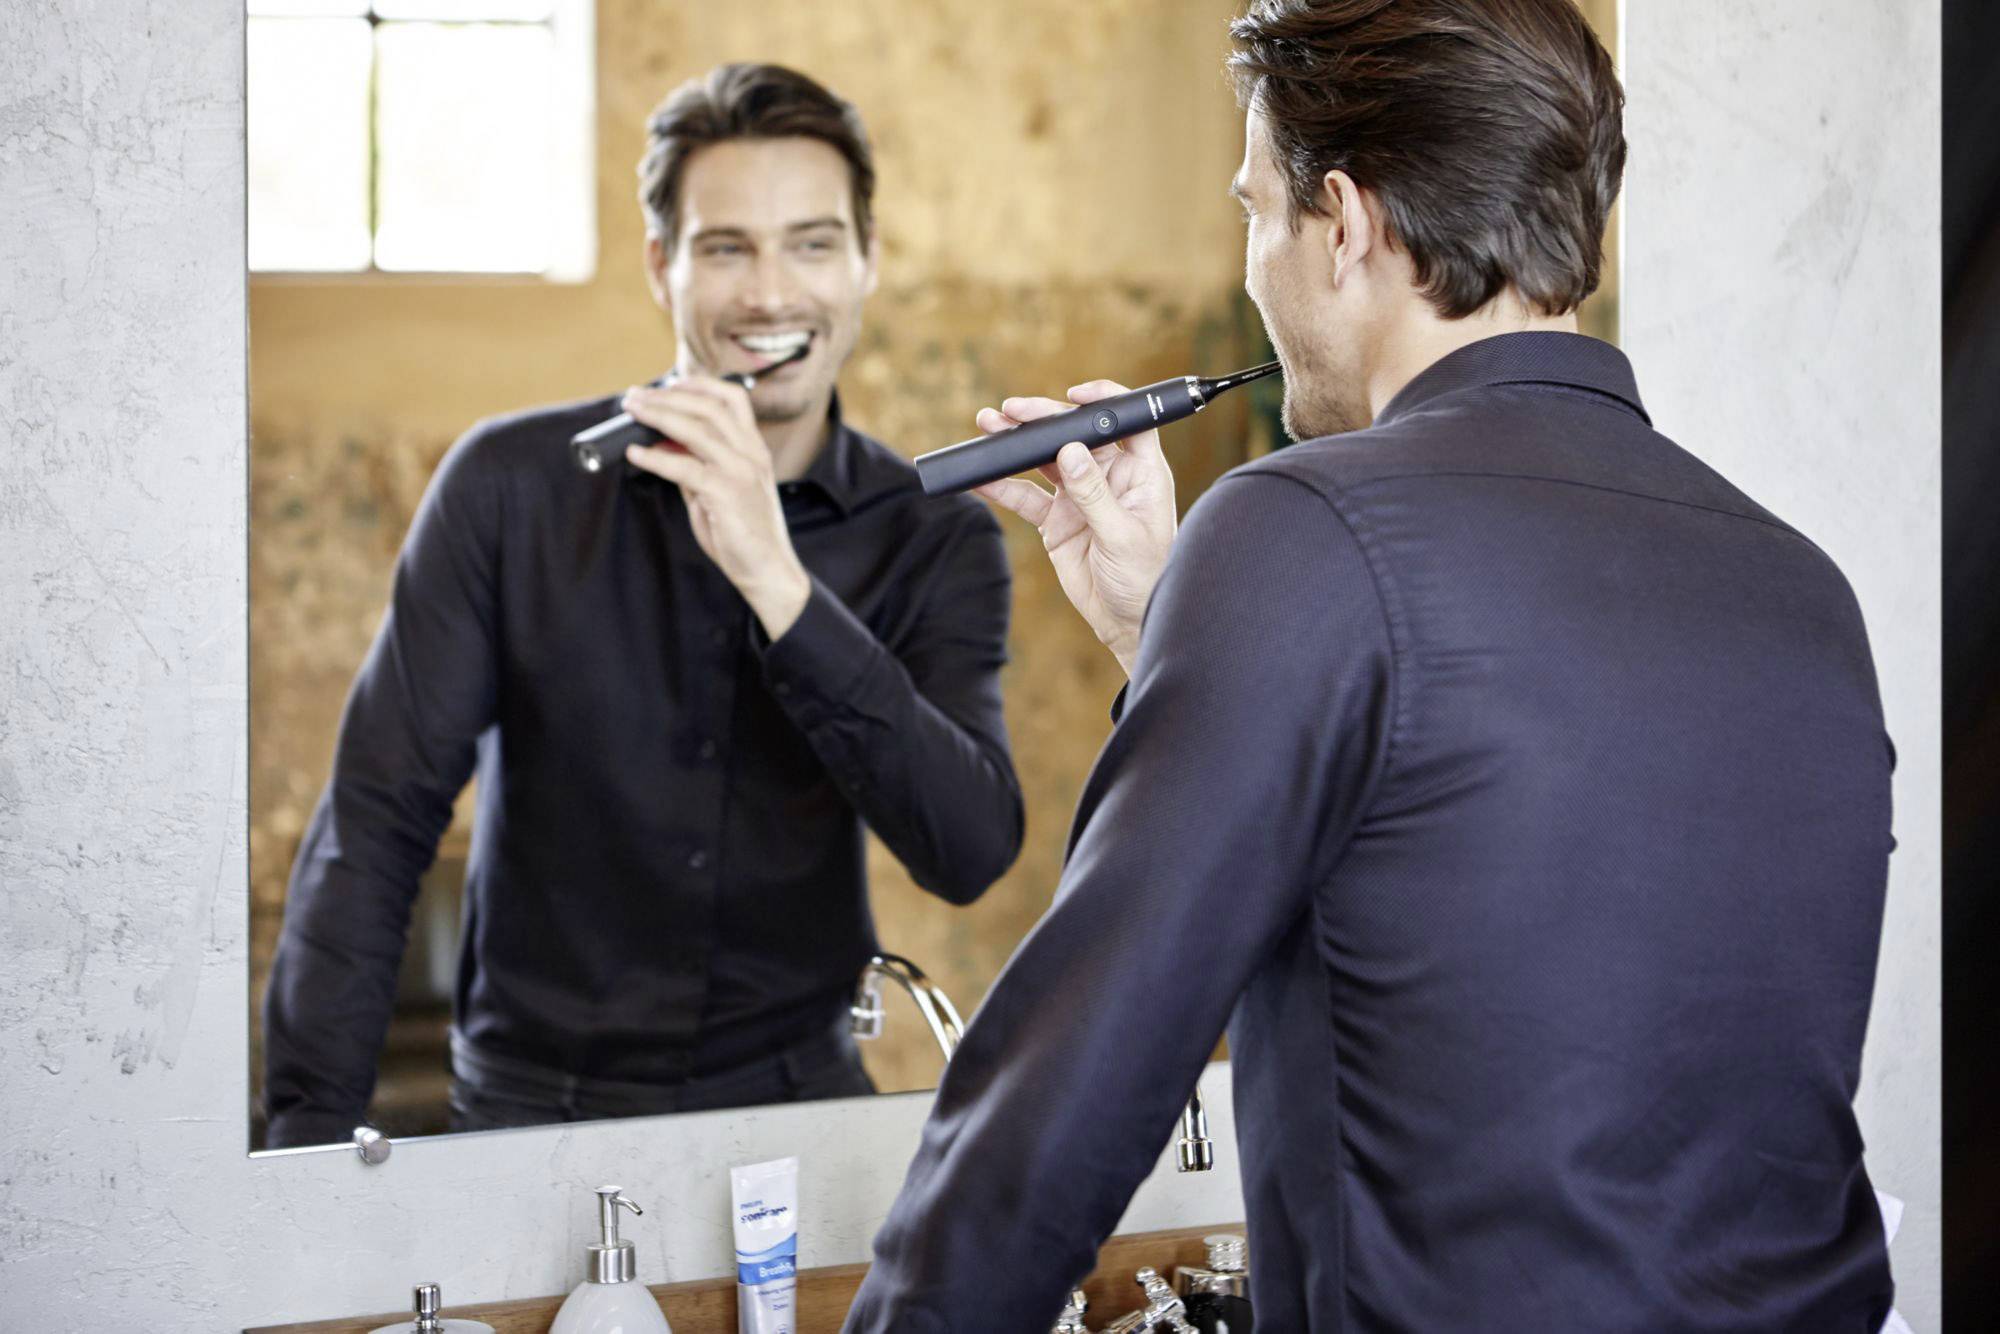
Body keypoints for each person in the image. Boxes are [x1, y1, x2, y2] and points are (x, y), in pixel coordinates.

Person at [844, 2, 1897, 1329]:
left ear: (1341, 221)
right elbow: (1486, 914)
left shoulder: (1301, 526)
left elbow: (1055, 1112)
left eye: (1253, 211)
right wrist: (1158, 629)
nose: (1248, 273)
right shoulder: (1806, 593)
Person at [262, 64, 1024, 1148]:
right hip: (528, 1106)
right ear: (661, 265)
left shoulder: (934, 531)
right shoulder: (506, 488)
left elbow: (968, 848)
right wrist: (304, 1144)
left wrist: (779, 582)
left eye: (811, 243)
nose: (770, 294)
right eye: (726, 248)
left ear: (865, 264)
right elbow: (375, 823)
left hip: (798, 1104)